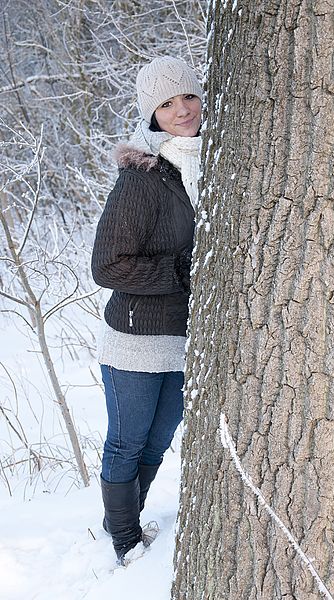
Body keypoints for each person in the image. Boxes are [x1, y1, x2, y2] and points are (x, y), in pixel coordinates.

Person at [91, 55, 203, 565]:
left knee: (157, 444)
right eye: (166, 102)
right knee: (127, 444)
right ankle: (124, 542)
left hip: (184, 340)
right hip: (135, 340)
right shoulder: (143, 177)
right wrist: (182, 274)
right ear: (150, 114)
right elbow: (108, 265)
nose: (181, 109)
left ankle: (131, 522)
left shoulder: (202, 163)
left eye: (188, 96)